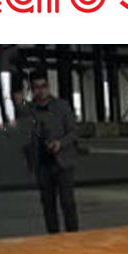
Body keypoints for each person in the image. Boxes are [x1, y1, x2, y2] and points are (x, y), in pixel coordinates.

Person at [15, 69, 79, 234]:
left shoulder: (62, 106)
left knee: (68, 203)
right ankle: (53, 239)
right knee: (48, 205)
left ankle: (74, 238)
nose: (41, 90)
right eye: (36, 87)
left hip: (63, 163)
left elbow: (73, 132)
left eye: (44, 86)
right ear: (32, 89)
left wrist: (60, 143)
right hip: (42, 165)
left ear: (49, 86)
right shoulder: (28, 110)